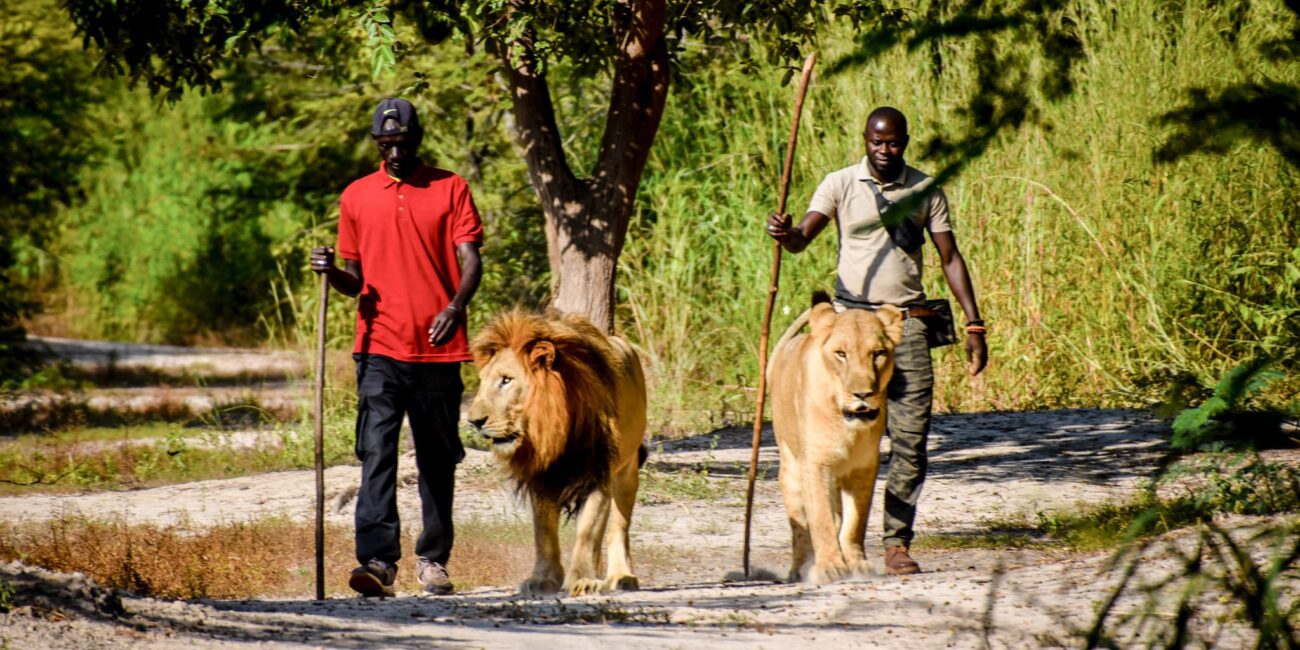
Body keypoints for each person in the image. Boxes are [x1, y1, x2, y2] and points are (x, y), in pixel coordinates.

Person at [765, 106, 988, 576]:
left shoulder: (925, 188)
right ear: (864, 140)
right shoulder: (840, 183)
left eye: (893, 143)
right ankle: (834, 548)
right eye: (876, 143)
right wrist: (786, 235)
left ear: (905, 141)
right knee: (837, 441)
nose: (885, 151)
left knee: (909, 440)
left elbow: (950, 258)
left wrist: (974, 324)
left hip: (903, 326)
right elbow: (805, 236)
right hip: (848, 324)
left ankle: (896, 543)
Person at [311, 98, 483, 597]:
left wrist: (454, 308)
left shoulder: (450, 187)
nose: (395, 154)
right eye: (386, 145)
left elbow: (470, 259)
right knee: (377, 453)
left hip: (438, 349)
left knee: (436, 457)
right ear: (376, 144)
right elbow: (356, 282)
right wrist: (332, 272)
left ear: (417, 141)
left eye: (403, 144)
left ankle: (434, 559)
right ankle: (378, 562)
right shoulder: (357, 196)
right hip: (378, 346)